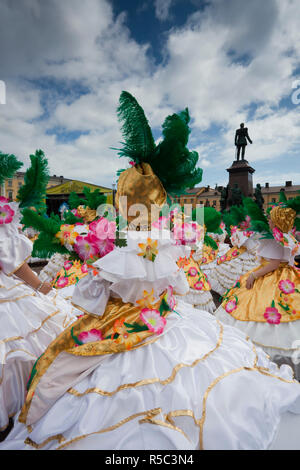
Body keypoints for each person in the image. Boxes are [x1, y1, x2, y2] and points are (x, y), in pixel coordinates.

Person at [2, 92, 300, 451]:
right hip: (167, 320)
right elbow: (173, 284)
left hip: (126, 328)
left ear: (124, 207)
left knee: (64, 368)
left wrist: (97, 281)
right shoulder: (165, 244)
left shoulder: (123, 252)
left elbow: (92, 298)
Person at [214, 204, 300, 378]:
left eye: (270, 217)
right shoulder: (287, 238)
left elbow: (273, 264)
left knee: (262, 307)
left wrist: (254, 275)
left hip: (271, 278)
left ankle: (264, 357)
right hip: (287, 276)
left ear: (277, 220)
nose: (267, 220)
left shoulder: (273, 239)